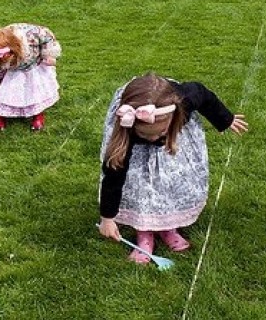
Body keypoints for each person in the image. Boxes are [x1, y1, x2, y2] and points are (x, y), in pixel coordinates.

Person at [98, 73, 248, 262]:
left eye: (159, 133)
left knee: (171, 180)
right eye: (146, 135)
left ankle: (168, 226)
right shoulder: (125, 134)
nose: (153, 140)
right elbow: (113, 175)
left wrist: (225, 119)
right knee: (141, 184)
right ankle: (144, 233)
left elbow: (202, 93)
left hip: (173, 140)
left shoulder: (183, 101)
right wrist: (107, 217)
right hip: (134, 143)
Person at [0, 23, 61, 132]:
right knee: (4, 90)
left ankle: (37, 115)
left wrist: (48, 54)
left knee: (34, 90)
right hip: (10, 72)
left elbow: (47, 37)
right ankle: (1, 116)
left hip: (31, 66)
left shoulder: (32, 36)